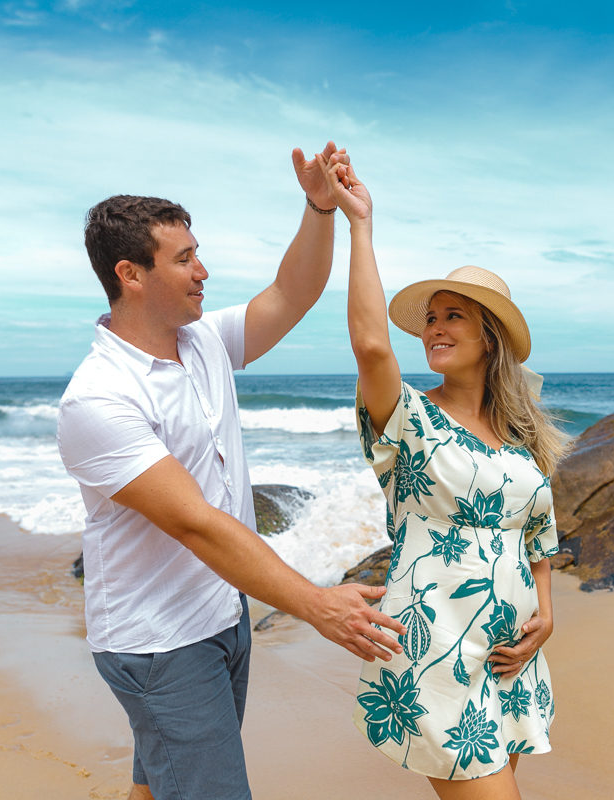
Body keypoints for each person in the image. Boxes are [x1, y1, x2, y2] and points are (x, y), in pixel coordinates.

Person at [56, 142, 406, 800]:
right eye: (184, 259)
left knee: (160, 786)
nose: (202, 271)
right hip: (161, 641)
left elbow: (293, 293)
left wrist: (319, 206)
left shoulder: (204, 340)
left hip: (219, 615)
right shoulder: (100, 398)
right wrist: (315, 603)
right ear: (130, 274)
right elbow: (196, 523)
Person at [320, 155, 572, 799]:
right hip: (437, 657)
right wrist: (360, 226)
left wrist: (546, 615)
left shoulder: (523, 438)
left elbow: (537, 537)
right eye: (431, 317)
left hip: (513, 658)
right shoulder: (409, 419)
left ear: (489, 337)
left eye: (452, 315)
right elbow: (373, 345)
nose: (434, 326)